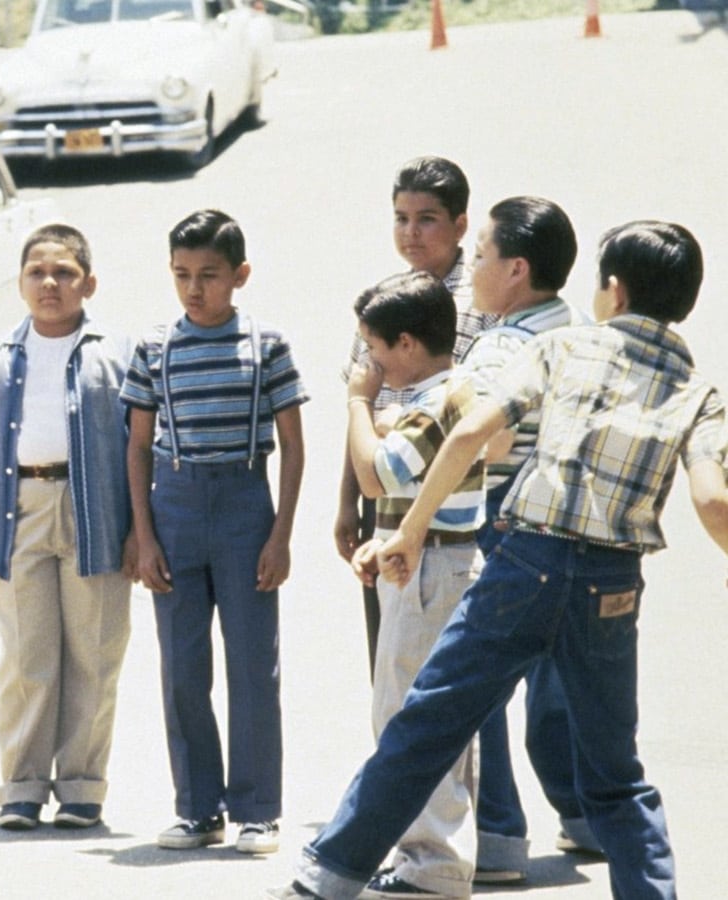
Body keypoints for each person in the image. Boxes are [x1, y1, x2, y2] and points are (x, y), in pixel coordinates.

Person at [266, 220, 728, 900]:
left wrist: (410, 532)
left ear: (615, 290)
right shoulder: (697, 392)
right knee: (615, 777)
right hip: (611, 586)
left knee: (427, 726)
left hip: (525, 564)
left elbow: (472, 433)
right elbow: (713, 499)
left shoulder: (562, 348)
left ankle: (325, 881)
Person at [123, 210, 307, 855]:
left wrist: (280, 535)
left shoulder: (266, 345)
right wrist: (145, 537)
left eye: (209, 275)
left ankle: (257, 810)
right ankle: (199, 808)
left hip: (243, 502)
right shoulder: (155, 348)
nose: (194, 289)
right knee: (182, 666)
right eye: (182, 275)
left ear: (240, 275)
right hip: (175, 504)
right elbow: (137, 446)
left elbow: (293, 445)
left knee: (253, 663)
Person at [0, 224, 134, 831]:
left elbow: (142, 445)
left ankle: (82, 786)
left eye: (64, 273)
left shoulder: (116, 353)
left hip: (96, 513)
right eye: (37, 272)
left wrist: (139, 531)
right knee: (27, 655)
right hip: (18, 510)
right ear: (20, 283)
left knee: (95, 652)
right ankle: (22, 787)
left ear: (89, 283)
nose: (50, 283)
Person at [455, 196, 598, 882]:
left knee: (477, 683)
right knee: (560, 676)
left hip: (501, 518)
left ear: (516, 268)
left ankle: (497, 835)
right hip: (572, 515)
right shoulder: (581, 330)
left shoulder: (503, 345)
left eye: (480, 256)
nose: (471, 270)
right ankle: (586, 813)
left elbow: (489, 441)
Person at [344, 271, 484, 900]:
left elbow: (377, 475)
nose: (370, 364)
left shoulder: (435, 400)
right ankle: (432, 858)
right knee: (429, 715)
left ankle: (433, 865)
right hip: (428, 562)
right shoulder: (447, 392)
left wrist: (358, 402)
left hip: (432, 572)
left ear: (405, 344)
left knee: (408, 716)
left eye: (375, 349)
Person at [334, 157, 496, 679]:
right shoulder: (382, 303)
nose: (411, 233)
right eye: (401, 218)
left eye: (426, 219)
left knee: (456, 672)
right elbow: (360, 401)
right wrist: (348, 502)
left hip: (451, 505)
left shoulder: (482, 302)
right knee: (392, 656)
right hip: (384, 491)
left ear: (460, 225)